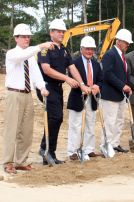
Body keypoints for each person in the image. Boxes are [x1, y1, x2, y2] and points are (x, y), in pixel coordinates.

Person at [3, 23, 53, 174]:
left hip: (27, 94)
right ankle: (8, 162)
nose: (27, 39)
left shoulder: (30, 56)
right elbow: (21, 56)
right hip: (14, 94)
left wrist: (42, 87)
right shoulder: (12, 54)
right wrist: (41, 46)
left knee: (26, 130)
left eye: (28, 37)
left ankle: (21, 161)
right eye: (24, 37)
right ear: (16, 38)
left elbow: (36, 74)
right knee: (12, 129)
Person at [37, 18, 89, 165]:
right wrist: (66, 78)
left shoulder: (64, 49)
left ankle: (48, 153)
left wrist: (82, 84)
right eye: (58, 31)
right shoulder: (46, 48)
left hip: (57, 88)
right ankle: (45, 150)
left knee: (55, 119)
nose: (61, 34)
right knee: (56, 117)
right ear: (51, 32)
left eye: (63, 32)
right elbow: (46, 69)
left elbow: (72, 68)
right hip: (46, 86)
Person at [67, 36, 103, 160]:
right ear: (81, 49)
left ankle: (89, 149)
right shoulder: (74, 64)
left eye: (91, 49)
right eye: (87, 49)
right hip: (78, 98)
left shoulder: (96, 64)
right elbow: (72, 79)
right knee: (75, 125)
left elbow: (100, 79)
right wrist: (83, 87)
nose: (89, 51)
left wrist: (97, 86)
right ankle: (73, 151)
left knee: (90, 124)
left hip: (92, 99)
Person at [100, 28, 133, 153]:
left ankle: (114, 144)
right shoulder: (110, 54)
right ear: (119, 41)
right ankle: (105, 145)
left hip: (120, 95)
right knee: (110, 122)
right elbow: (107, 74)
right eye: (126, 42)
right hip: (110, 95)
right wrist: (122, 86)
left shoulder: (121, 56)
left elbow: (123, 74)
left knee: (119, 121)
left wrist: (127, 87)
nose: (128, 45)